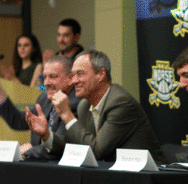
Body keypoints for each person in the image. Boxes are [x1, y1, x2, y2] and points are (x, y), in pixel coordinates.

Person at [26, 49, 166, 164]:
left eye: (79, 74)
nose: (74, 81)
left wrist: (67, 116)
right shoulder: (84, 106)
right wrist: (46, 134)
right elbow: (77, 147)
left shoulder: (121, 103)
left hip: (151, 179)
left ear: (101, 74)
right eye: (73, 75)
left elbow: (96, 151)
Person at [0, 55, 80, 160]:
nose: (46, 83)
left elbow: (60, 147)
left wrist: (30, 150)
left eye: (53, 76)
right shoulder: (44, 98)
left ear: (70, 79)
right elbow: (18, 121)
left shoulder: (75, 103)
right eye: (45, 77)